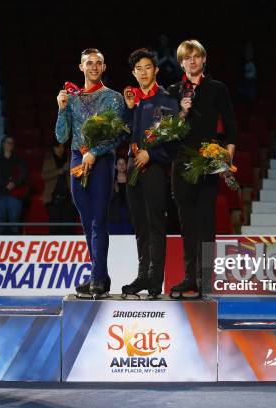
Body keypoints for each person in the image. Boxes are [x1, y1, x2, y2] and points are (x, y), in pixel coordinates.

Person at [167, 39, 237, 297]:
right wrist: (181, 114)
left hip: (208, 161)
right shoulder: (172, 91)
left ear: (204, 59)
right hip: (181, 162)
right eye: (187, 57)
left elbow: (230, 127)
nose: (192, 61)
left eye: (196, 56)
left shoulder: (217, 88)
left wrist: (227, 157)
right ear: (181, 62)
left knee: (206, 223)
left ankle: (205, 280)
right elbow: (166, 132)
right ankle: (189, 278)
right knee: (187, 224)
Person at [55, 48, 125, 298]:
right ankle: (101, 276)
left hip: (102, 161)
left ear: (104, 67)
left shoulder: (113, 98)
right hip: (77, 159)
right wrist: (61, 108)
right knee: (86, 223)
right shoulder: (71, 98)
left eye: (98, 63)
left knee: (98, 221)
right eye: (89, 63)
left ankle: (96, 278)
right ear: (81, 67)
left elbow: (118, 134)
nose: (94, 67)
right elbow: (62, 136)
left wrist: (95, 151)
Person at [120, 48, 180, 297]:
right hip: (134, 168)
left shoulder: (165, 100)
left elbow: (173, 142)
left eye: (147, 67)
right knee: (140, 226)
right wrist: (129, 109)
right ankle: (142, 275)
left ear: (155, 70)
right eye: (138, 69)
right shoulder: (133, 101)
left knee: (156, 224)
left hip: (154, 169)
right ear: (134, 73)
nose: (143, 72)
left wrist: (151, 155)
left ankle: (156, 280)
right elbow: (123, 133)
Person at [0, 136, 27, 235]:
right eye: (7, 142)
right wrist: (7, 183)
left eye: (12, 142)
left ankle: (14, 242)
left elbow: (23, 174)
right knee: (0, 222)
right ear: (3, 144)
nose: (10, 144)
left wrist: (14, 183)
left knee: (14, 222)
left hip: (15, 194)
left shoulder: (19, 159)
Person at [41, 141, 75, 235]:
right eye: (58, 147)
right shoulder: (48, 160)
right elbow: (44, 176)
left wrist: (71, 169)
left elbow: (78, 175)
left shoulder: (70, 159)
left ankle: (69, 247)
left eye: (62, 147)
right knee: (54, 226)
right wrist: (59, 171)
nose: (60, 149)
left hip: (68, 196)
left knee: (69, 225)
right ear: (53, 148)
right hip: (53, 197)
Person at [109, 156, 133, 235]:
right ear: (116, 166)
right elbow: (107, 199)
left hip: (129, 214)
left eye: (124, 164)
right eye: (119, 164)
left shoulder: (131, 179)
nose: (122, 165)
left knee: (129, 236)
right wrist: (115, 192)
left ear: (126, 165)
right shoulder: (111, 180)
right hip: (115, 215)